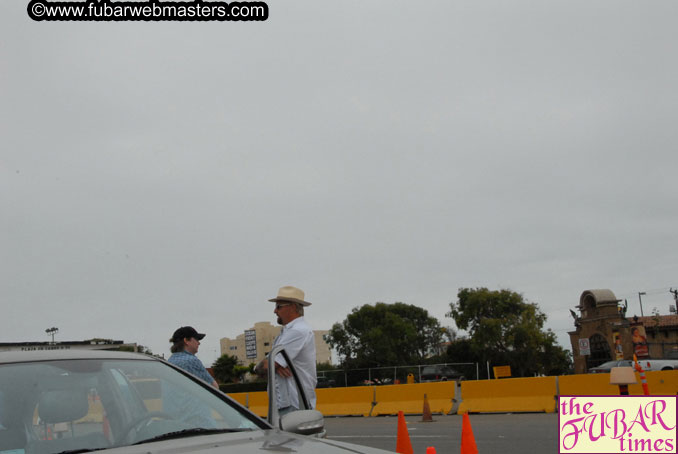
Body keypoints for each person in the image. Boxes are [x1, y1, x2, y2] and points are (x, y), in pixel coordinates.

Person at [256, 286, 317, 416]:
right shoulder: (288, 332)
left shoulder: (297, 331)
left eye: (279, 306)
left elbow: (265, 367)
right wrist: (275, 367)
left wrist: (272, 365)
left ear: (293, 307)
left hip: (293, 405)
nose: (274, 311)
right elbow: (267, 366)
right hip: (287, 403)